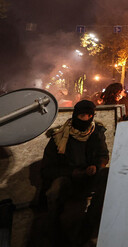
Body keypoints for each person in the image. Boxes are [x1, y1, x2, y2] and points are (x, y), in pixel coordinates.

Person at [40, 100, 109, 244]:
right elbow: (47, 169)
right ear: (75, 115)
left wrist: (97, 166)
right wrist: (72, 172)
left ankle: (88, 227)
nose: (85, 119)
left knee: (108, 176)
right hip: (68, 178)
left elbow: (103, 155)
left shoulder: (96, 132)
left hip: (90, 177)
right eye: (82, 115)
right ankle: (56, 234)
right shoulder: (59, 136)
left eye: (89, 116)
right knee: (55, 190)